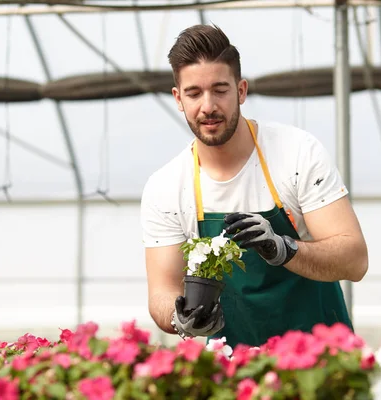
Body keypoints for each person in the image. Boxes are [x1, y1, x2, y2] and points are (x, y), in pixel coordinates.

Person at [140, 24, 368, 349]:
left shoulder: (296, 153)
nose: (208, 106)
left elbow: (354, 260)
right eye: (194, 93)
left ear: (241, 90)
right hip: (233, 371)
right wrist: (181, 317)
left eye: (220, 89)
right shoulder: (165, 187)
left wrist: (283, 248)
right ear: (178, 98)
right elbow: (162, 290)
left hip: (322, 362)